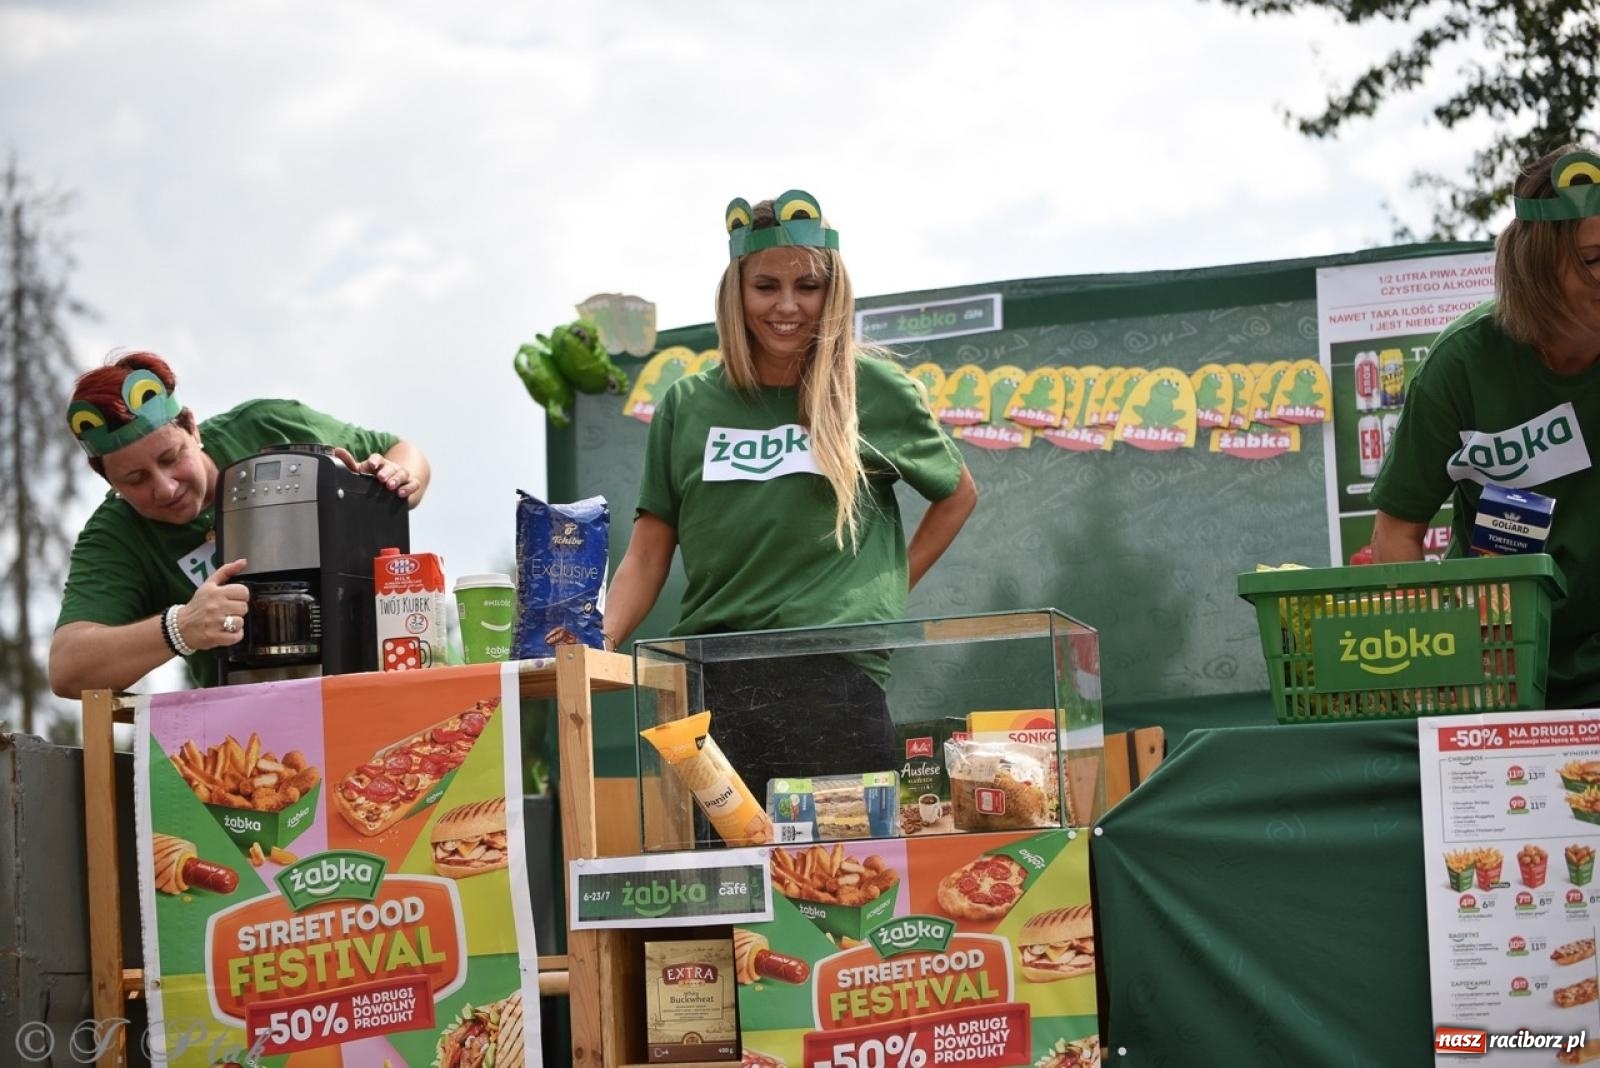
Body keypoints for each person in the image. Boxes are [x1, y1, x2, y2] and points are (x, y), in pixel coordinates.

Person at [604, 189, 979, 806]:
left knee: (847, 887)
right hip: (710, 680)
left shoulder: (873, 389)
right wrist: (602, 641)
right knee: (732, 890)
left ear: (834, 293)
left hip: (835, 674)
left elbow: (957, 495)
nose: (787, 306)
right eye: (765, 286)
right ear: (735, 292)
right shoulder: (687, 403)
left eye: (808, 287)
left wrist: (880, 593)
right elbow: (648, 551)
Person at [50, 350, 430, 697]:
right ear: (109, 482)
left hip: (383, 682)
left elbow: (405, 452)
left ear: (192, 429)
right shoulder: (116, 538)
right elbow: (68, 670)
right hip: (246, 721)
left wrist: (392, 482)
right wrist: (181, 628)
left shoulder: (266, 426)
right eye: (135, 480)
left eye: (170, 458)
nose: (164, 488)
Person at [1371, 144, 1600, 707]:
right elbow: (1396, 534)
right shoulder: (1462, 364)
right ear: (1539, 267)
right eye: (1594, 260)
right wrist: (1443, 656)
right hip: (1499, 668)